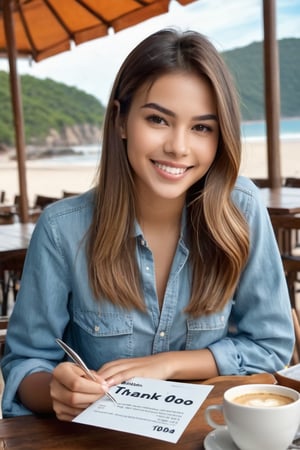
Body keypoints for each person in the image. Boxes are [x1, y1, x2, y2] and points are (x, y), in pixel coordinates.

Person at [1, 28, 294, 419]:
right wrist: (57, 391)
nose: (178, 146)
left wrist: (170, 364)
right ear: (121, 121)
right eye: (158, 119)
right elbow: (25, 362)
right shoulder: (61, 230)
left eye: (202, 127)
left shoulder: (241, 208)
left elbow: (271, 345)